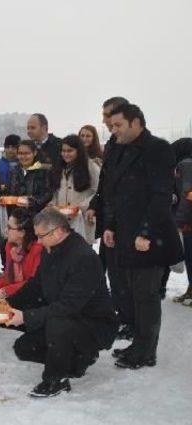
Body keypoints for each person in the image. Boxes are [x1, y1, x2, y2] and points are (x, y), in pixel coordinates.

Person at [101, 103, 183, 369]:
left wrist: (146, 232)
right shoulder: (117, 148)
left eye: (118, 125)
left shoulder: (158, 149)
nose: (114, 131)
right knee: (132, 292)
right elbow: (113, 193)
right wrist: (110, 225)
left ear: (136, 122)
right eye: (112, 126)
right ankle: (139, 343)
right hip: (125, 233)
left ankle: (147, 352)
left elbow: (161, 196)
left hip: (150, 236)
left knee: (146, 296)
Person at [6, 208, 116, 397]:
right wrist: (8, 304)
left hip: (93, 323)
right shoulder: (51, 249)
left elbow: (69, 306)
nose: (38, 241)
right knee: (23, 349)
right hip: (66, 317)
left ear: (58, 232)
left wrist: (26, 316)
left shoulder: (83, 257)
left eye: (41, 236)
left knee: (58, 322)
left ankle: (55, 380)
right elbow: (36, 285)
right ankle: (77, 360)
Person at [85, 96, 132, 338]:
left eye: (108, 116)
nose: (104, 121)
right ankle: (120, 314)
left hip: (126, 222)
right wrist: (95, 204)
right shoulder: (113, 143)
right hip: (109, 221)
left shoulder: (134, 144)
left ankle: (130, 321)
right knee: (110, 270)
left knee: (123, 274)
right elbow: (105, 181)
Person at [0, 208, 42, 301]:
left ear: (22, 233)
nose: (6, 230)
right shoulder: (10, 246)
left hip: (34, 298)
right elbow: (9, 279)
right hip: (17, 295)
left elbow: (33, 284)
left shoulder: (38, 249)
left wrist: (4, 291)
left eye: (10, 228)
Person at [50, 135, 100, 244]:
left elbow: (99, 191)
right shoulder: (60, 168)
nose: (66, 154)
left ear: (79, 151)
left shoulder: (91, 167)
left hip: (82, 218)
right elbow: (55, 191)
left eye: (70, 151)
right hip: (62, 219)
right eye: (63, 151)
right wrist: (52, 204)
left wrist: (81, 206)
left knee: (81, 253)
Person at [8, 140, 52, 213]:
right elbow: (11, 192)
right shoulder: (14, 170)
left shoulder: (44, 170)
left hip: (38, 214)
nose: (23, 156)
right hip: (17, 214)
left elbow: (48, 193)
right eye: (20, 153)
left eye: (27, 153)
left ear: (34, 153)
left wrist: (31, 202)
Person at [173, 138, 192, 304]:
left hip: (188, 221)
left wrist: (179, 220)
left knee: (191, 256)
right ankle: (190, 290)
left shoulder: (185, 164)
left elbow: (188, 195)